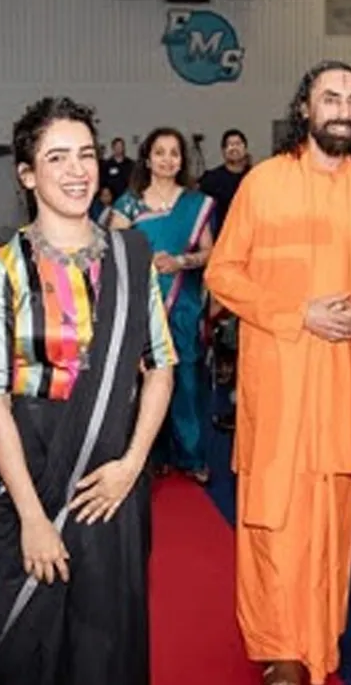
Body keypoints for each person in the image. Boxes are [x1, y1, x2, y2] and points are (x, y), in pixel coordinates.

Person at [204, 59, 351, 685]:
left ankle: (320, 632)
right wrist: (300, 314)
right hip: (279, 375)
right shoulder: (263, 182)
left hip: (341, 373)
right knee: (275, 513)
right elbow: (222, 273)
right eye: (331, 98)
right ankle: (280, 645)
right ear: (305, 109)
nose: (344, 110)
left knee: (331, 513)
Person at [0, 96, 176, 685]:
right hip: (28, 465)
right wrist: (34, 518)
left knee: (109, 633)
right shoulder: (1, 271)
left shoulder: (131, 259)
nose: (77, 170)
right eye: (57, 157)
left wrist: (133, 465)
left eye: (85, 154)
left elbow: (159, 367)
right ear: (27, 174)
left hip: (114, 469)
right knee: (28, 643)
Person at [111, 127, 215, 483]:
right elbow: (113, 250)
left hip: (183, 305)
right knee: (143, 380)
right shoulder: (130, 203)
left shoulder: (195, 204)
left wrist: (181, 263)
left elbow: (209, 252)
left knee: (185, 379)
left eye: (174, 153)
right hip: (142, 304)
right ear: (147, 158)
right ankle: (149, 455)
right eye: (160, 152)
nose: (167, 159)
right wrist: (144, 260)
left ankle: (191, 455)